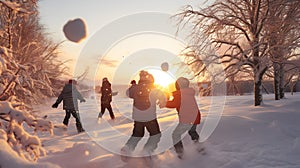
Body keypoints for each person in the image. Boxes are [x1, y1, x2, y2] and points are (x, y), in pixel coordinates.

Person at [121, 71, 166, 161]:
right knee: (156, 134)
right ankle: (147, 150)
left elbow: (127, 93)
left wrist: (133, 86)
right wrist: (162, 102)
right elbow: (163, 97)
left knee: (137, 134)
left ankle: (127, 148)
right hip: (150, 118)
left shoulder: (135, 88)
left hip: (138, 118)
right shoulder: (153, 89)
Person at [164, 77, 202, 159]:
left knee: (176, 135)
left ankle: (180, 154)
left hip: (187, 119)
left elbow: (174, 103)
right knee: (192, 132)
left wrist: (164, 103)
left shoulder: (180, 94)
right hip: (195, 117)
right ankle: (200, 148)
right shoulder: (188, 93)